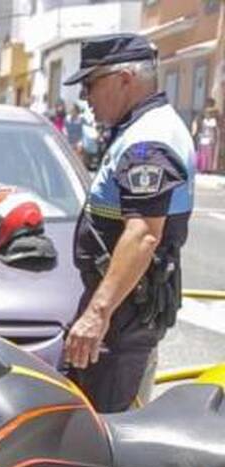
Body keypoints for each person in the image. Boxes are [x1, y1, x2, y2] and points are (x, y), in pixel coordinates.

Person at [63, 34, 195, 412]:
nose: (85, 96)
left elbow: (142, 236)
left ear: (124, 79)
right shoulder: (139, 131)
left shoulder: (148, 141)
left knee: (109, 435)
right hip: (121, 313)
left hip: (123, 318)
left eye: (91, 84)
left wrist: (97, 314)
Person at [193, 98, 220, 174]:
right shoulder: (204, 120)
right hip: (204, 137)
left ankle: (208, 169)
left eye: (209, 113)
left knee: (208, 154)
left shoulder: (213, 121)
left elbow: (215, 131)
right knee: (203, 153)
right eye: (207, 113)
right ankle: (202, 168)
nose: (207, 115)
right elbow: (200, 127)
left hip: (209, 138)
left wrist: (213, 138)